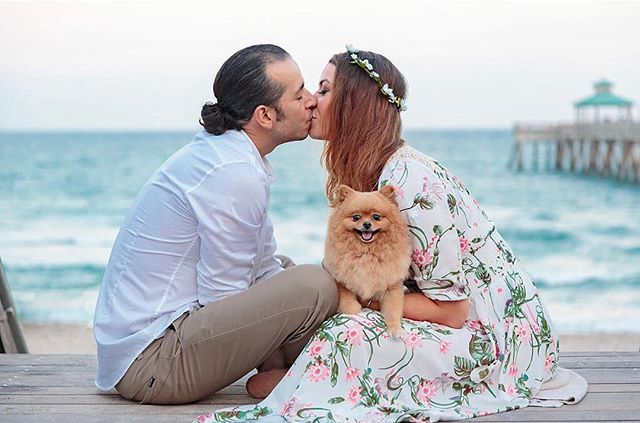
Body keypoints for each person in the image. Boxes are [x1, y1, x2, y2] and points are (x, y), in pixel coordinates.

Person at [196, 45, 560, 422]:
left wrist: (360, 301)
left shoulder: (408, 180)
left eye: (323, 90)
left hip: (496, 342)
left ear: (353, 105)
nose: (311, 103)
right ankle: (308, 375)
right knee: (311, 294)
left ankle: (307, 381)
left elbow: (451, 311)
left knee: (346, 327)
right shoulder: (376, 174)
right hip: (464, 323)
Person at [93, 44, 338, 405]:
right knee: (315, 284)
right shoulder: (233, 173)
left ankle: (291, 374)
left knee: (285, 270)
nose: (311, 101)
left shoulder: (229, 155)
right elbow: (223, 298)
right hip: (152, 364)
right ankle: (298, 374)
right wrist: (271, 346)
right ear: (265, 116)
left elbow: (260, 265)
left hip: (157, 342)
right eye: (299, 93)